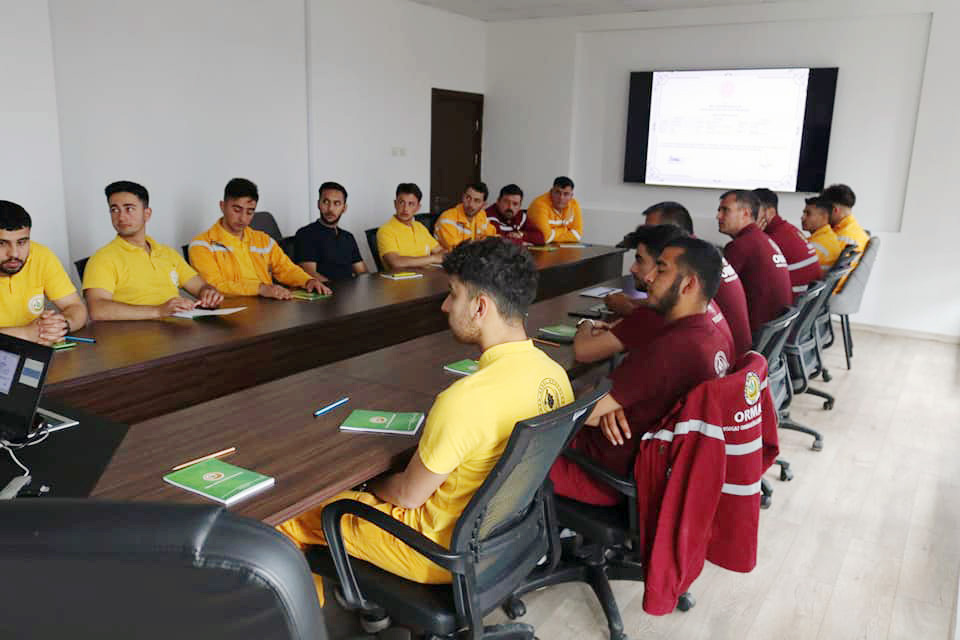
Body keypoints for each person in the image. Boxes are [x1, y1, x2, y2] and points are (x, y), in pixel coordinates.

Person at [277, 237, 573, 605]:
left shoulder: (465, 400)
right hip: (503, 537)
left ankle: (309, 624)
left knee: (289, 518)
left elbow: (407, 495)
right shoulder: (553, 375)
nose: (445, 305)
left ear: (480, 307)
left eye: (453, 294)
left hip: (436, 552)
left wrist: (367, 486)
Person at [550, 236, 734, 506]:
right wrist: (609, 404)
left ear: (688, 285)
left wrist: (598, 402)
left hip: (600, 474)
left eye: (661, 270)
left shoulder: (672, 349)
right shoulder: (712, 336)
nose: (648, 277)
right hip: (647, 471)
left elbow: (576, 414)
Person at [573, 224, 733, 366]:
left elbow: (583, 352)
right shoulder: (697, 300)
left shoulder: (657, 313)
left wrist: (586, 323)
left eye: (640, 261)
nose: (633, 269)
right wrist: (631, 306)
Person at [626, 200, 751, 357]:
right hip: (731, 350)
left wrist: (630, 308)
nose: (646, 237)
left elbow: (663, 310)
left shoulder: (689, 265)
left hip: (728, 354)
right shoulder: (701, 253)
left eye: (653, 231)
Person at [84, 181, 224, 321]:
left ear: (147, 214)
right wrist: (158, 311)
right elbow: (97, 309)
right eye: (114, 210)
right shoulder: (103, 258)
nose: (121, 217)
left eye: (129, 209)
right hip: (136, 332)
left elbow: (200, 287)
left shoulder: (167, 253)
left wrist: (208, 293)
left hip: (178, 328)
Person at [189, 178, 331, 299]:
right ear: (222, 206)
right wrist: (260, 288)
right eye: (237, 210)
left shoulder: (263, 240)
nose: (243, 218)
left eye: (250, 212)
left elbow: (286, 269)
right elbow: (214, 286)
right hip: (228, 314)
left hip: (267, 309)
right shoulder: (202, 245)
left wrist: (307, 281)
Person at [0, 201, 86, 344]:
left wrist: (60, 326)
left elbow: (75, 306)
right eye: (1, 243)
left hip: (34, 350)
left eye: (22, 242)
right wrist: (26, 333)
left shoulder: (41, 255)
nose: (14, 253)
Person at [717, 190, 792, 333]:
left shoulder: (741, 246)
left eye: (725, 210)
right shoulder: (763, 239)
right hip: (774, 334)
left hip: (756, 334)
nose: (718, 216)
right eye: (719, 210)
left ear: (745, 213)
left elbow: (716, 294)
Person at [753, 188, 821, 299]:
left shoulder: (772, 239)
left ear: (770, 212)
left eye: (753, 211)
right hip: (805, 301)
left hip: (792, 302)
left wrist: (748, 234)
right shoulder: (787, 229)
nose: (748, 217)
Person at [293, 181, 367, 282]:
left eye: (337, 203)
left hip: (350, 290)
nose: (330, 209)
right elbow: (310, 274)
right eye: (326, 202)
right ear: (318, 204)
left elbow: (362, 272)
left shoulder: (348, 237)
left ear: (344, 208)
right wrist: (337, 290)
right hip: (325, 290)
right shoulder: (306, 234)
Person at [376, 183, 445, 270]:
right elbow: (395, 262)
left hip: (427, 275)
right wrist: (433, 258)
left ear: (418, 207)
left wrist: (442, 255)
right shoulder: (385, 231)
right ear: (395, 204)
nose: (405, 209)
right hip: (403, 278)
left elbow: (440, 251)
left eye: (411, 204)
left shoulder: (419, 227)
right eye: (401, 203)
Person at [434, 182, 496, 250]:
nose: (470, 204)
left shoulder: (481, 216)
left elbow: (493, 241)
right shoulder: (447, 218)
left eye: (477, 201)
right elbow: (457, 250)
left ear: (483, 205)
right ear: (463, 197)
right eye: (468, 198)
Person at [526, 176, 583, 244]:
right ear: (551, 192)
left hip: (560, 247)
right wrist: (565, 230)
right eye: (557, 192)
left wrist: (553, 233)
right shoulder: (539, 205)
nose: (561, 197)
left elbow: (577, 235)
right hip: (535, 248)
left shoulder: (574, 204)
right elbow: (544, 237)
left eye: (566, 194)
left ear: (571, 196)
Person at [821, 183, 869, 256]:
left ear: (834, 210)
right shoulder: (855, 228)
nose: (823, 214)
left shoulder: (840, 239)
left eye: (824, 210)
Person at [801, 196, 844, 272]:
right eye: (803, 213)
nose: (802, 217)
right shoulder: (829, 236)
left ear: (824, 217)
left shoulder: (816, 245)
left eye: (808, 213)